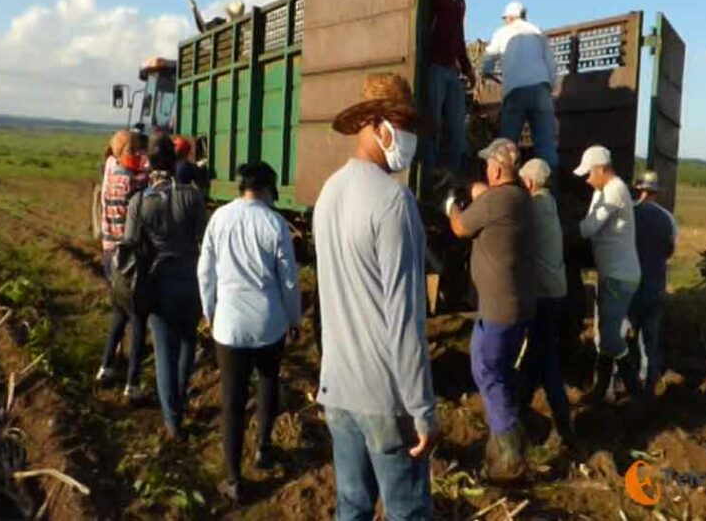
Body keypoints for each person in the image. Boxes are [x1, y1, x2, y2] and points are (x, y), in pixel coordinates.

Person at [314, 73, 436, 520]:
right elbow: (404, 320)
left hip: (339, 390)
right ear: (377, 125)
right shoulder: (393, 202)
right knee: (407, 511)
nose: (409, 138)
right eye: (403, 124)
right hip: (384, 397)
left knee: (352, 505)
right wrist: (422, 408)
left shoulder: (329, 193)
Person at [197, 162, 301, 503]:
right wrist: (294, 318)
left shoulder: (220, 219)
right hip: (268, 323)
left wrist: (209, 310)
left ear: (242, 186)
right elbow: (288, 279)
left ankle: (233, 477)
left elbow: (205, 271)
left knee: (232, 402)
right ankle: (263, 447)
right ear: (268, 189)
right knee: (268, 381)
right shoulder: (274, 224)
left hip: (229, 323)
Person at [444, 138, 535, 478]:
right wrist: (477, 190)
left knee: (486, 372)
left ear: (496, 169)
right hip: (517, 305)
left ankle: (511, 453)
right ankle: (501, 444)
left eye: (487, 165)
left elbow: (459, 227)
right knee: (500, 370)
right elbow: (491, 199)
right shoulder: (520, 198)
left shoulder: (498, 201)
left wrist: (452, 204)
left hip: (498, 307)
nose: (485, 168)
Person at [121, 135, 206, 438]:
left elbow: (129, 245)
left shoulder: (139, 201)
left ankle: (172, 421)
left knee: (163, 353)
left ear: (149, 162)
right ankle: (180, 403)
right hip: (190, 280)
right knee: (187, 343)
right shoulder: (193, 197)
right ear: (175, 160)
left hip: (157, 283)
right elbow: (203, 241)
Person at [574, 145, 647, 403]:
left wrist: (562, 226)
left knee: (610, 336)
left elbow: (588, 228)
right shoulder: (603, 190)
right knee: (607, 332)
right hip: (612, 275)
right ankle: (601, 389)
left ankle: (635, 391)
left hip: (620, 276)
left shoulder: (615, 191)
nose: (586, 178)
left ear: (601, 169)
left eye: (589, 173)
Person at [517, 158, 574, 445]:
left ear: (528, 183)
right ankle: (519, 410)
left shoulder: (534, 207)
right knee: (536, 358)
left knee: (546, 361)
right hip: (555, 292)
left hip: (544, 296)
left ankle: (565, 429)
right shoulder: (549, 202)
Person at [96, 130, 149, 400]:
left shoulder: (109, 173)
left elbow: (113, 160)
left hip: (109, 253)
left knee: (119, 311)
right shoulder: (131, 182)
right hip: (128, 258)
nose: (139, 154)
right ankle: (133, 382)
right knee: (139, 319)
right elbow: (145, 187)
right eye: (136, 150)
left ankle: (106, 367)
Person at [481, 1, 558, 172]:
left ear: (509, 17)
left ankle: (505, 185)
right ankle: (550, 189)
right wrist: (550, 87)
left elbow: (488, 59)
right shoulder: (537, 31)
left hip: (515, 92)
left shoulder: (502, 32)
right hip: (541, 90)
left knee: (507, 145)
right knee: (546, 145)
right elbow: (552, 65)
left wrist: (484, 72)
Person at [425, 0, 482, 174]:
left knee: (456, 127)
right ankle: (429, 174)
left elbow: (459, 37)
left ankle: (450, 176)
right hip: (434, 66)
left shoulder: (460, 2)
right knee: (432, 123)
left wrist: (468, 69)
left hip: (451, 70)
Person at [627, 171, 678, 394]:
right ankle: (650, 382)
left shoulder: (629, 214)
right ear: (656, 193)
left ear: (639, 189)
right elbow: (669, 251)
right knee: (650, 339)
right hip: (656, 285)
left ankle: (624, 383)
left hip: (631, 286)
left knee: (623, 337)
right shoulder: (668, 218)